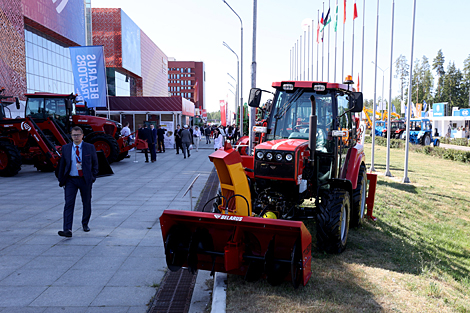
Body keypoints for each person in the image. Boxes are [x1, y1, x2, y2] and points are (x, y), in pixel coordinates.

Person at [56, 126, 99, 237]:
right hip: (71, 180)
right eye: (74, 135)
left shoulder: (89, 147)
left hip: (85, 179)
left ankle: (85, 223)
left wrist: (92, 177)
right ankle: (67, 229)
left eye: (78, 135)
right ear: (71, 136)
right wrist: (61, 179)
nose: (76, 137)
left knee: (86, 202)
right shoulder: (66, 148)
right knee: (69, 203)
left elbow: (95, 163)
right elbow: (62, 165)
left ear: (82, 135)